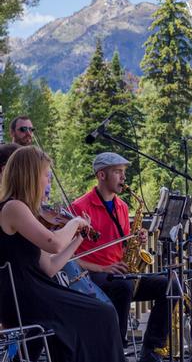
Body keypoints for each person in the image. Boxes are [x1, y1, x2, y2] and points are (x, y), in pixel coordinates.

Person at [0, 146, 124, 362]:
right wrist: (75, 221)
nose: (48, 183)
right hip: (25, 298)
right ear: (31, 176)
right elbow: (54, 243)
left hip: (35, 293)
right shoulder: (13, 207)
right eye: (46, 176)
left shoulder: (24, 211)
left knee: (99, 313)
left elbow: (49, 266)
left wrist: (78, 239)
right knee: (103, 313)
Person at [71, 152, 173, 362]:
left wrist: (137, 239)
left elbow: (124, 243)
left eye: (123, 172)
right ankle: (116, 350)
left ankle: (152, 348)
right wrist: (102, 268)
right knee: (123, 286)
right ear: (101, 175)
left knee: (170, 284)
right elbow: (69, 259)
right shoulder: (79, 207)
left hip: (120, 273)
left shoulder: (123, 207)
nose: (123, 177)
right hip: (91, 277)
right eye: (117, 172)